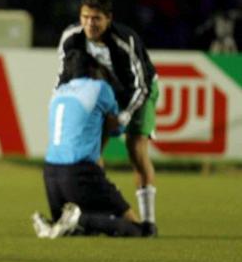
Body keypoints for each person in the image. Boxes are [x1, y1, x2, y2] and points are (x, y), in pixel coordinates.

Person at [56, 0, 159, 236]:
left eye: (96, 19)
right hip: (101, 93)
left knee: (136, 150)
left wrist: (122, 117)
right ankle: (103, 212)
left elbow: (141, 86)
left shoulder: (125, 41)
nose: (89, 24)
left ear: (108, 19)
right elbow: (62, 77)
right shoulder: (71, 37)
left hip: (139, 93)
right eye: (85, 17)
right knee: (91, 156)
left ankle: (148, 221)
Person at [33, 50, 152, 238]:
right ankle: (78, 220)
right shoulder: (100, 88)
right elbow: (116, 127)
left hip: (50, 174)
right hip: (80, 171)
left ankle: (57, 223)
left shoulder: (59, 91)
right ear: (93, 68)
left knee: (73, 230)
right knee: (138, 229)